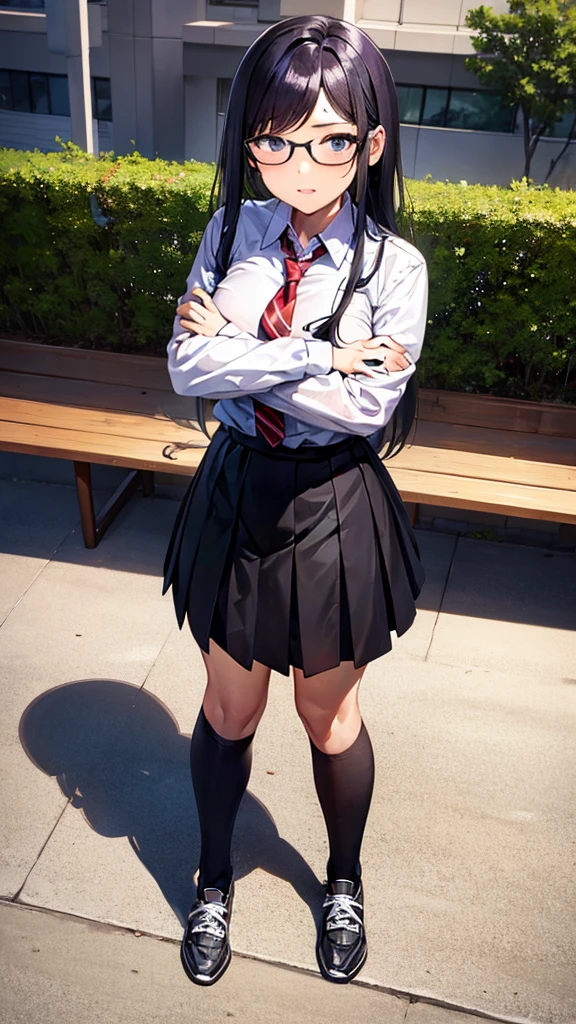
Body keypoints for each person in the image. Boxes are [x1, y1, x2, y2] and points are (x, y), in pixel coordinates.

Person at [162, 15, 428, 987]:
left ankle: (344, 878)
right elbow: (189, 366)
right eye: (276, 140)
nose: (301, 165)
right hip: (239, 493)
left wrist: (243, 359)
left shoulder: (396, 268)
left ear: (370, 143)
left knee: (332, 719)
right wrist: (315, 352)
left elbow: (369, 401)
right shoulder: (233, 231)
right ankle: (214, 879)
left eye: (328, 141)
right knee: (228, 710)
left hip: (332, 504)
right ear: (250, 141)